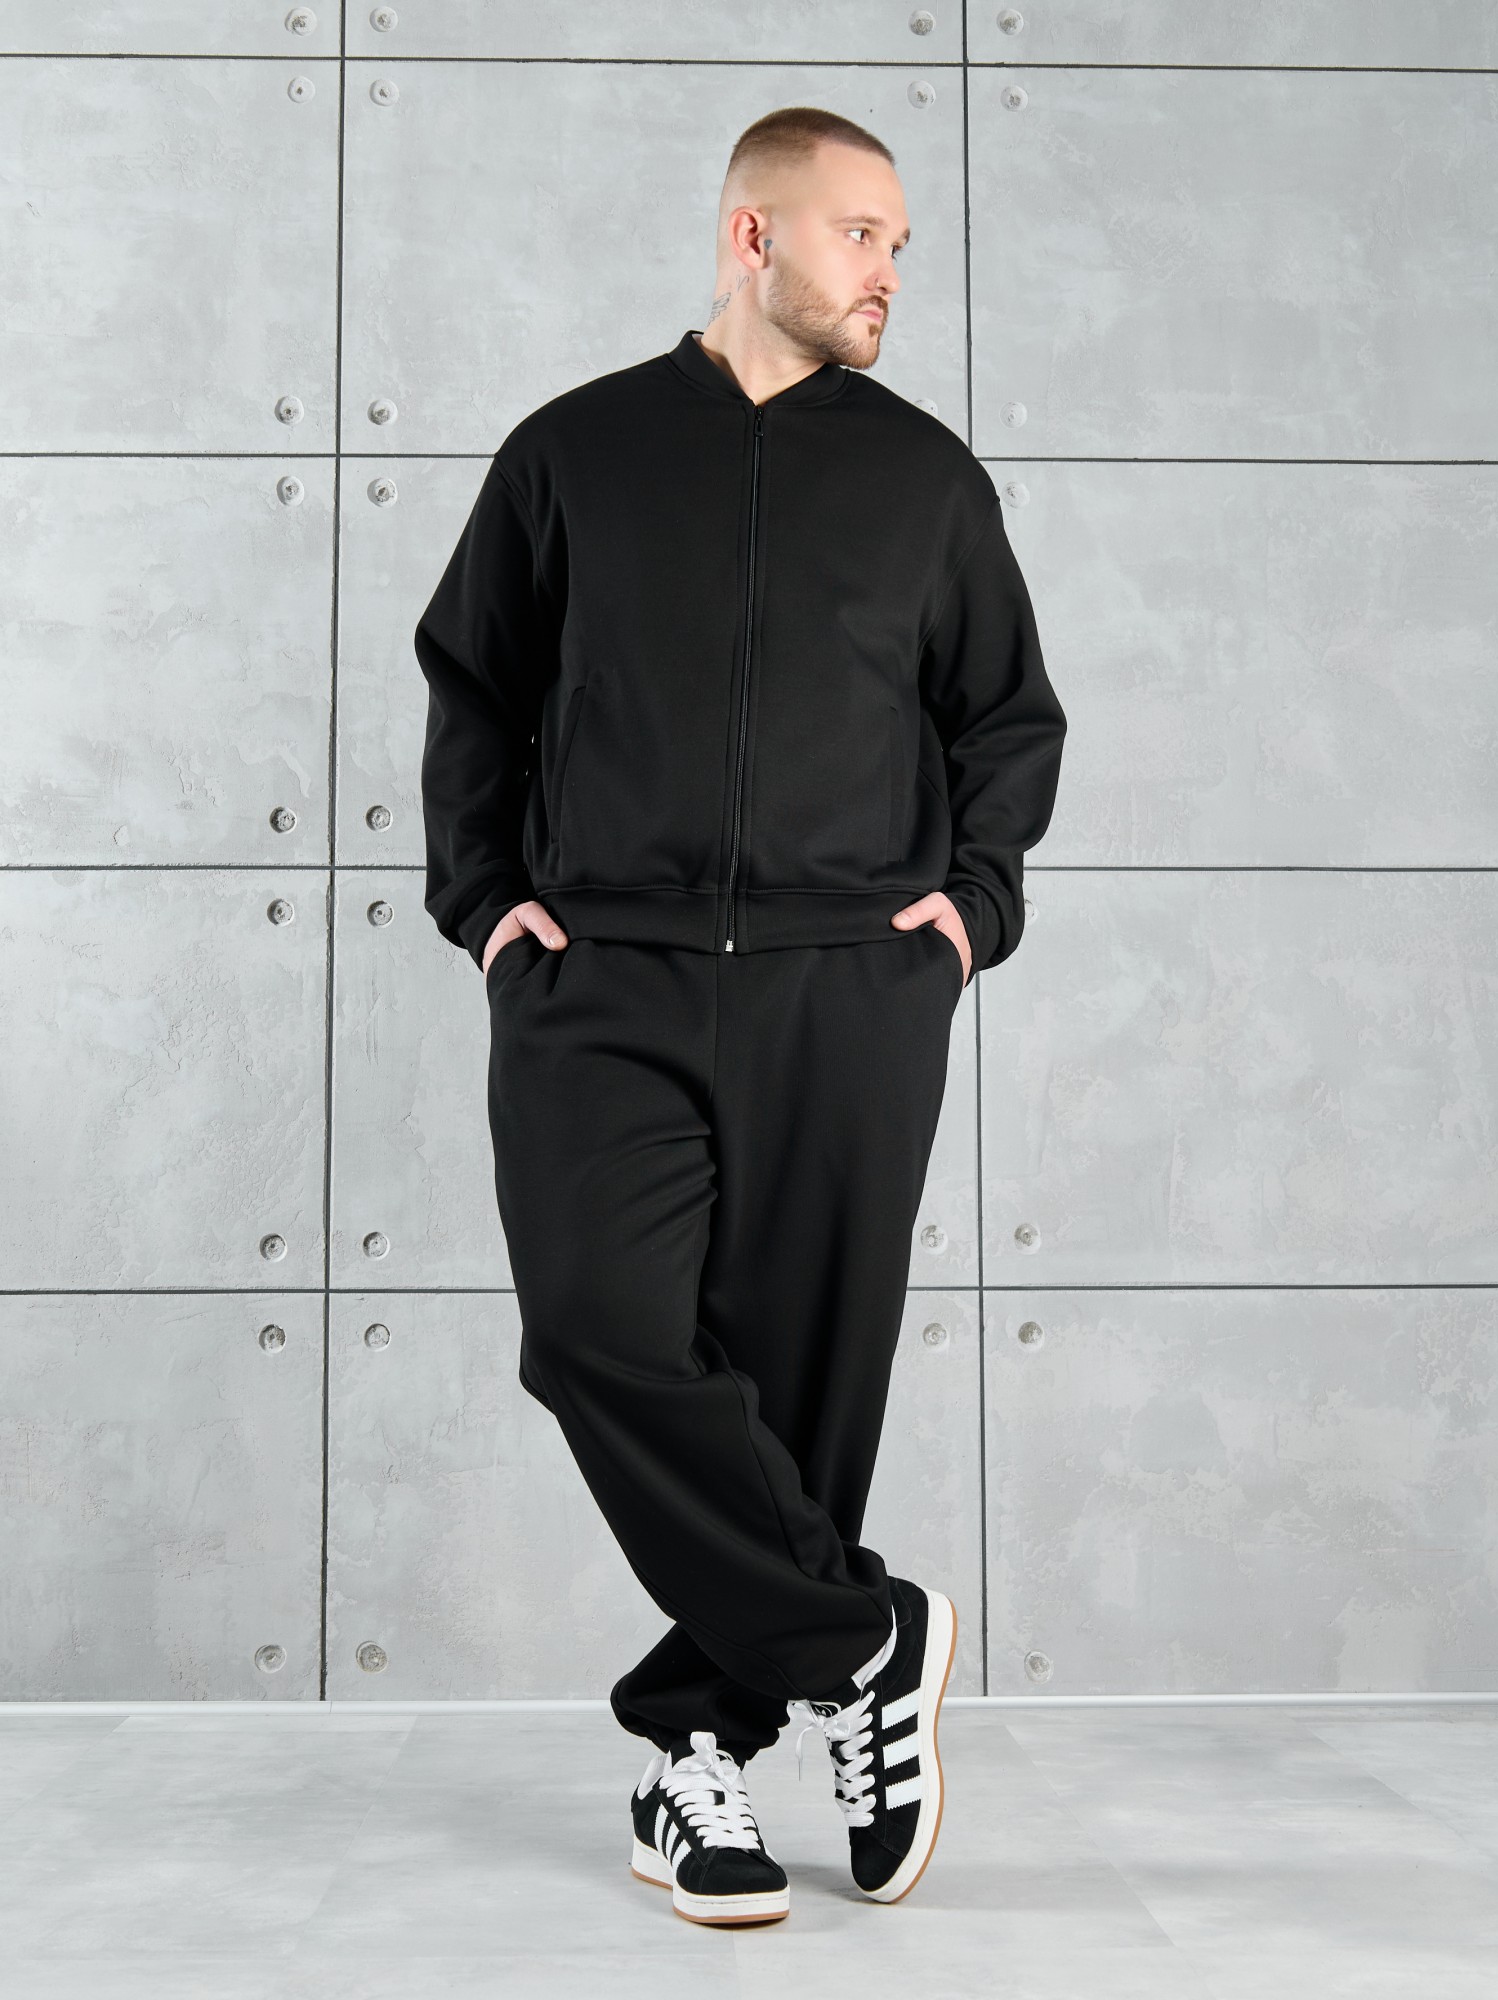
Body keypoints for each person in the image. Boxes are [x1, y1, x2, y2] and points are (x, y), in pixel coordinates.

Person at [414, 104, 1067, 1927]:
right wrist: (486, 907)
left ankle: (696, 1754)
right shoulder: (574, 452)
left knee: (801, 1388)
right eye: (861, 233)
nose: (889, 272)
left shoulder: (927, 481)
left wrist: (971, 912)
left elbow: (1007, 717)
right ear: (753, 236)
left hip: (846, 984)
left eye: (901, 245)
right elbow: (475, 687)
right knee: (594, 1332)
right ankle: (865, 1642)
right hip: (601, 973)